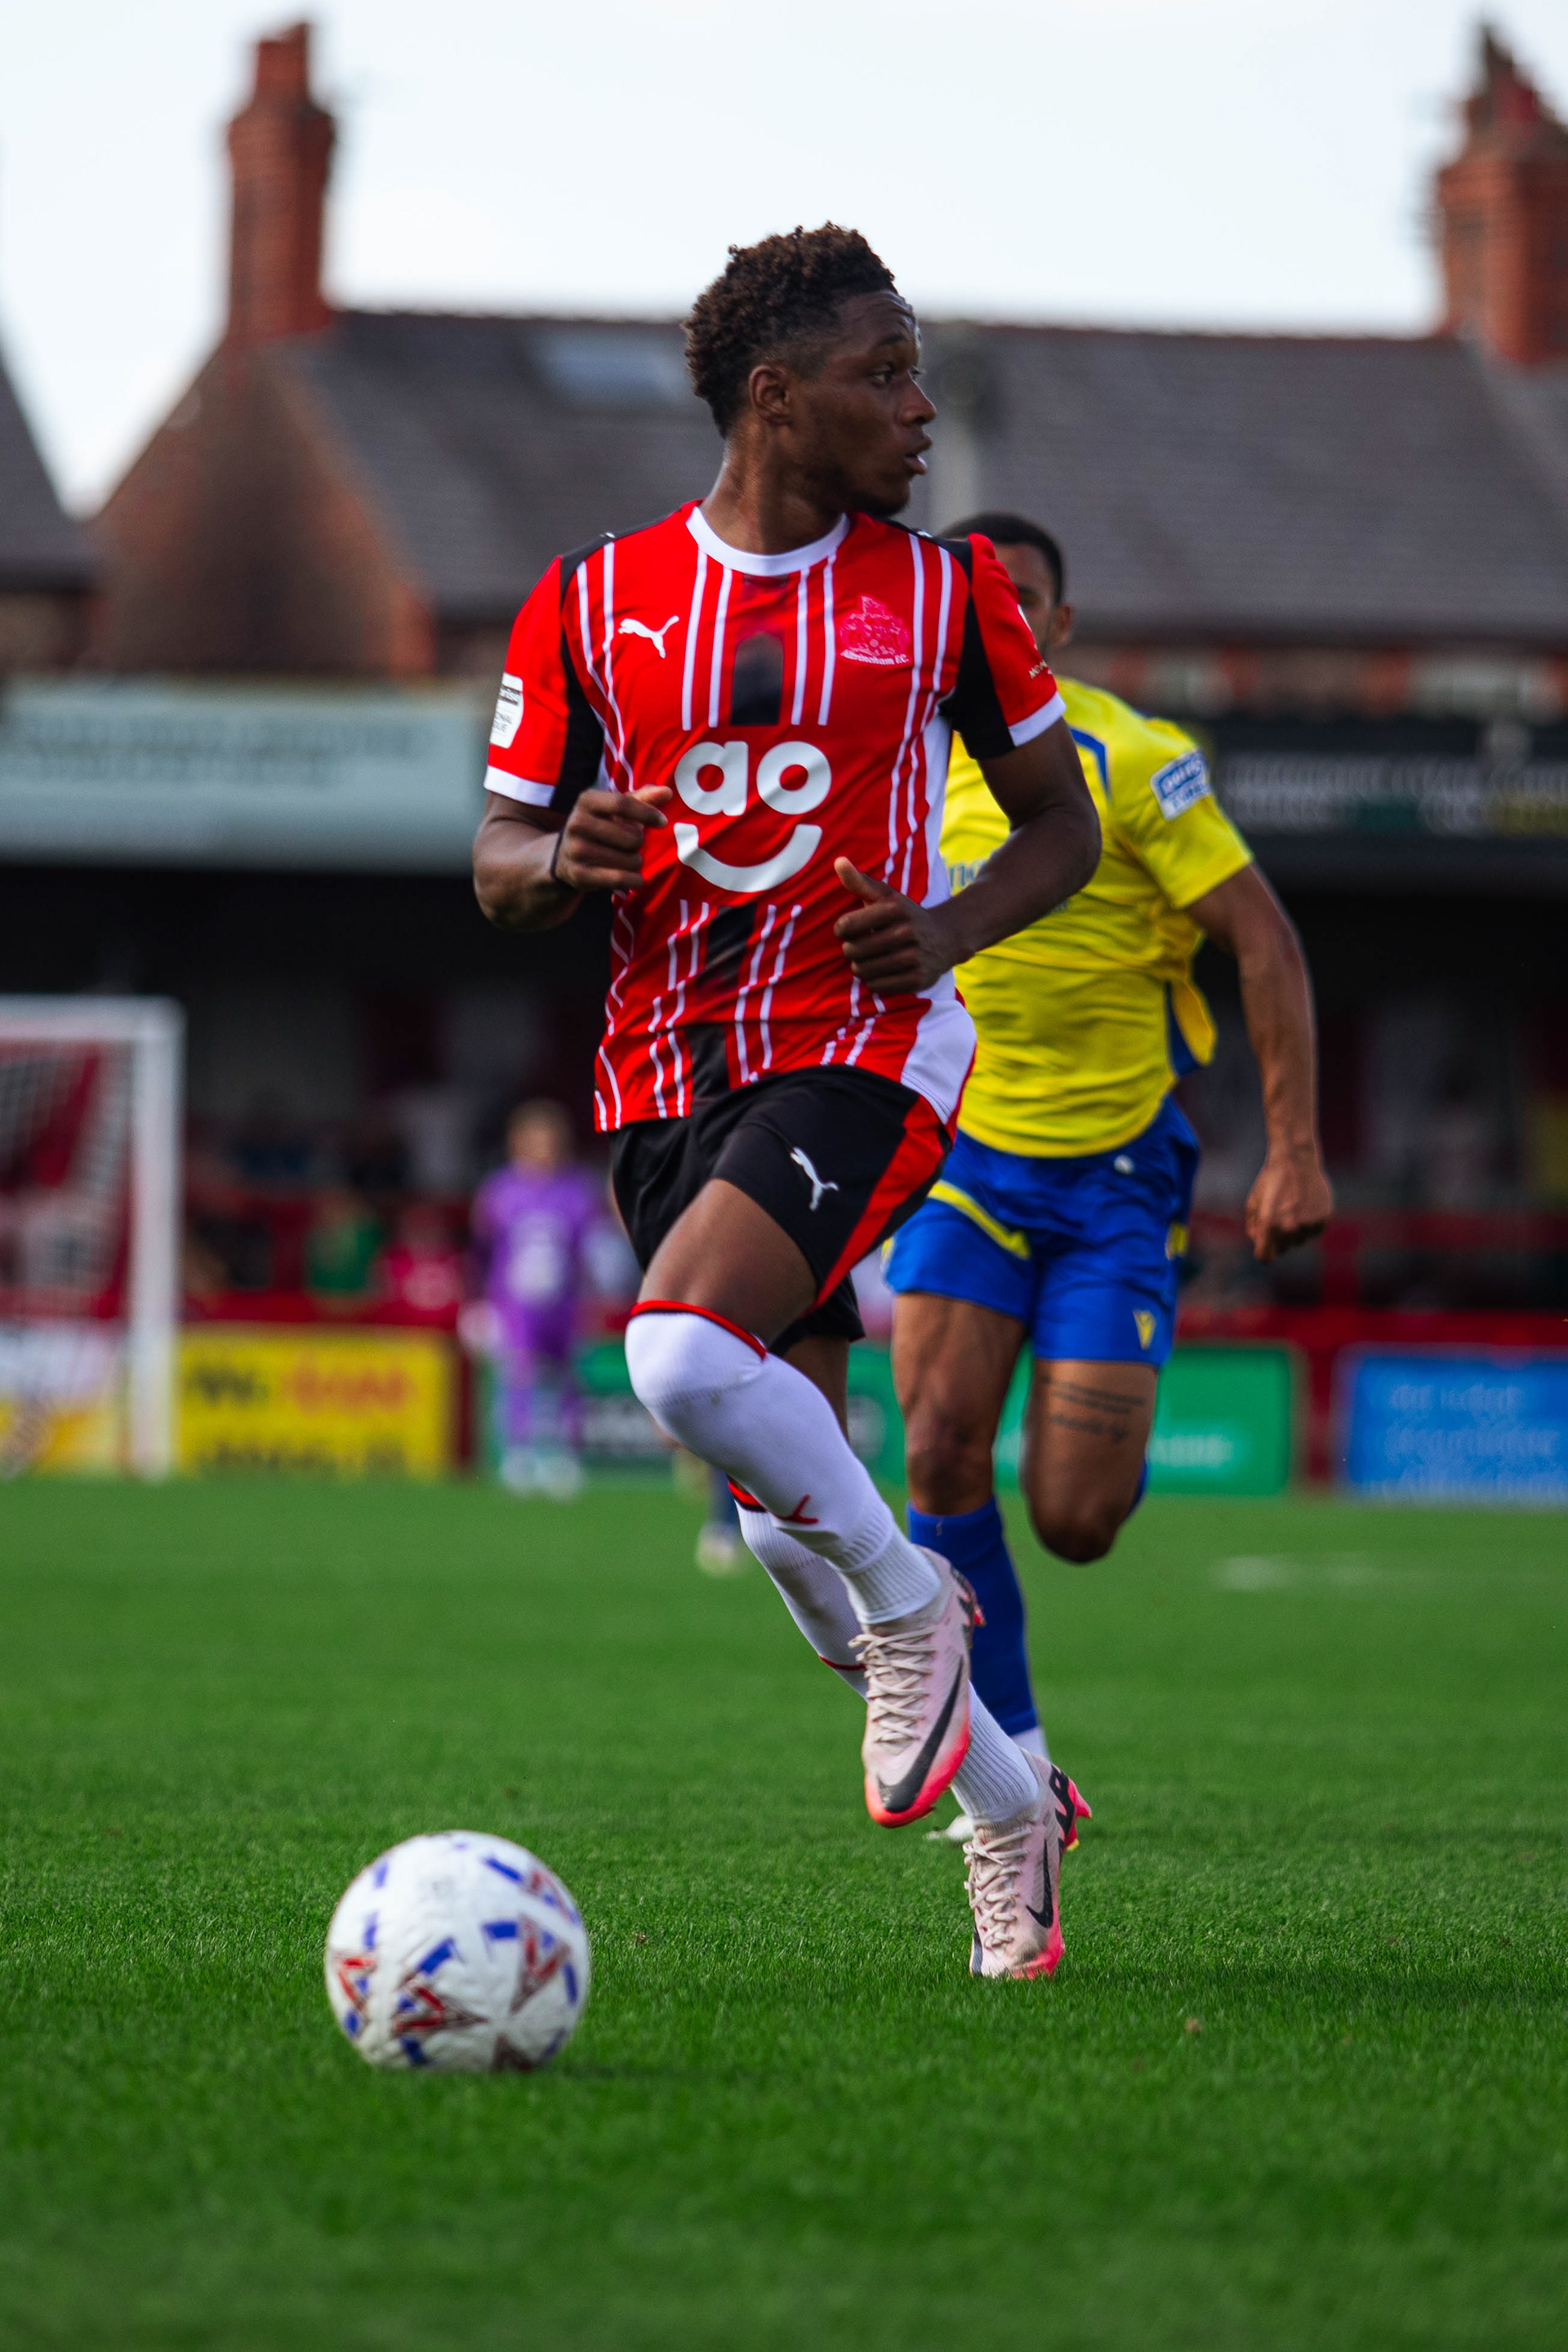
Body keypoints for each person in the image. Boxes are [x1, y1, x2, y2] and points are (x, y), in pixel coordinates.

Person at [474, 226, 1100, 1979]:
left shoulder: (947, 591)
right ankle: (1011, 1813)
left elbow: (1067, 823)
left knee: (678, 1359)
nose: (917, 411)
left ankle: (920, 1607)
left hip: (865, 1042)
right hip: (663, 1077)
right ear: (775, 397)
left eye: (916, 375)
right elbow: (497, 857)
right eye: (881, 375)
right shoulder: (588, 602)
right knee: (771, 1508)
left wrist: (951, 928)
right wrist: (559, 851)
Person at [882, 514, 1334, 1834]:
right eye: (980, 601)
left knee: (1076, 1520)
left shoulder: (1135, 758)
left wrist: (1294, 1147)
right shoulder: (892, 762)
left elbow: (1267, 944)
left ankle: (1105, 1391)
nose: (1004, 619)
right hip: (964, 1160)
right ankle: (1014, 1770)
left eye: (1026, 601)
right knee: (937, 1446)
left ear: (1060, 628)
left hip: (1116, 1175)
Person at [470, 1101, 600, 1499]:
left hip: (565, 1301)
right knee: (519, 1375)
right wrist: (479, 1302)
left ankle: (563, 1455)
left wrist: (591, 1298)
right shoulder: (499, 1191)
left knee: (566, 1377)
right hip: (514, 1303)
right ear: (519, 1143)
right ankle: (518, 1454)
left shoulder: (577, 1190)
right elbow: (482, 1250)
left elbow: (589, 1250)